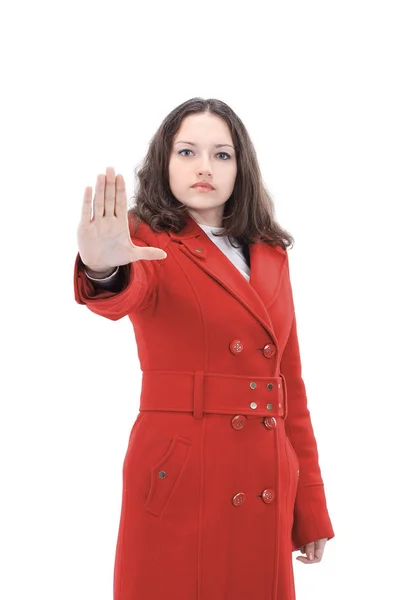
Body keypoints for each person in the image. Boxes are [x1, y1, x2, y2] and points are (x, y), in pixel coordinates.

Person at [74, 97, 335, 600]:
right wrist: (103, 268)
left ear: (241, 167)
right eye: (187, 152)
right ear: (163, 162)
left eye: (221, 155)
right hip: (183, 471)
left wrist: (309, 507)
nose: (204, 167)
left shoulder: (269, 251)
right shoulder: (145, 239)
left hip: (265, 473)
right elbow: (124, 292)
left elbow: (290, 388)